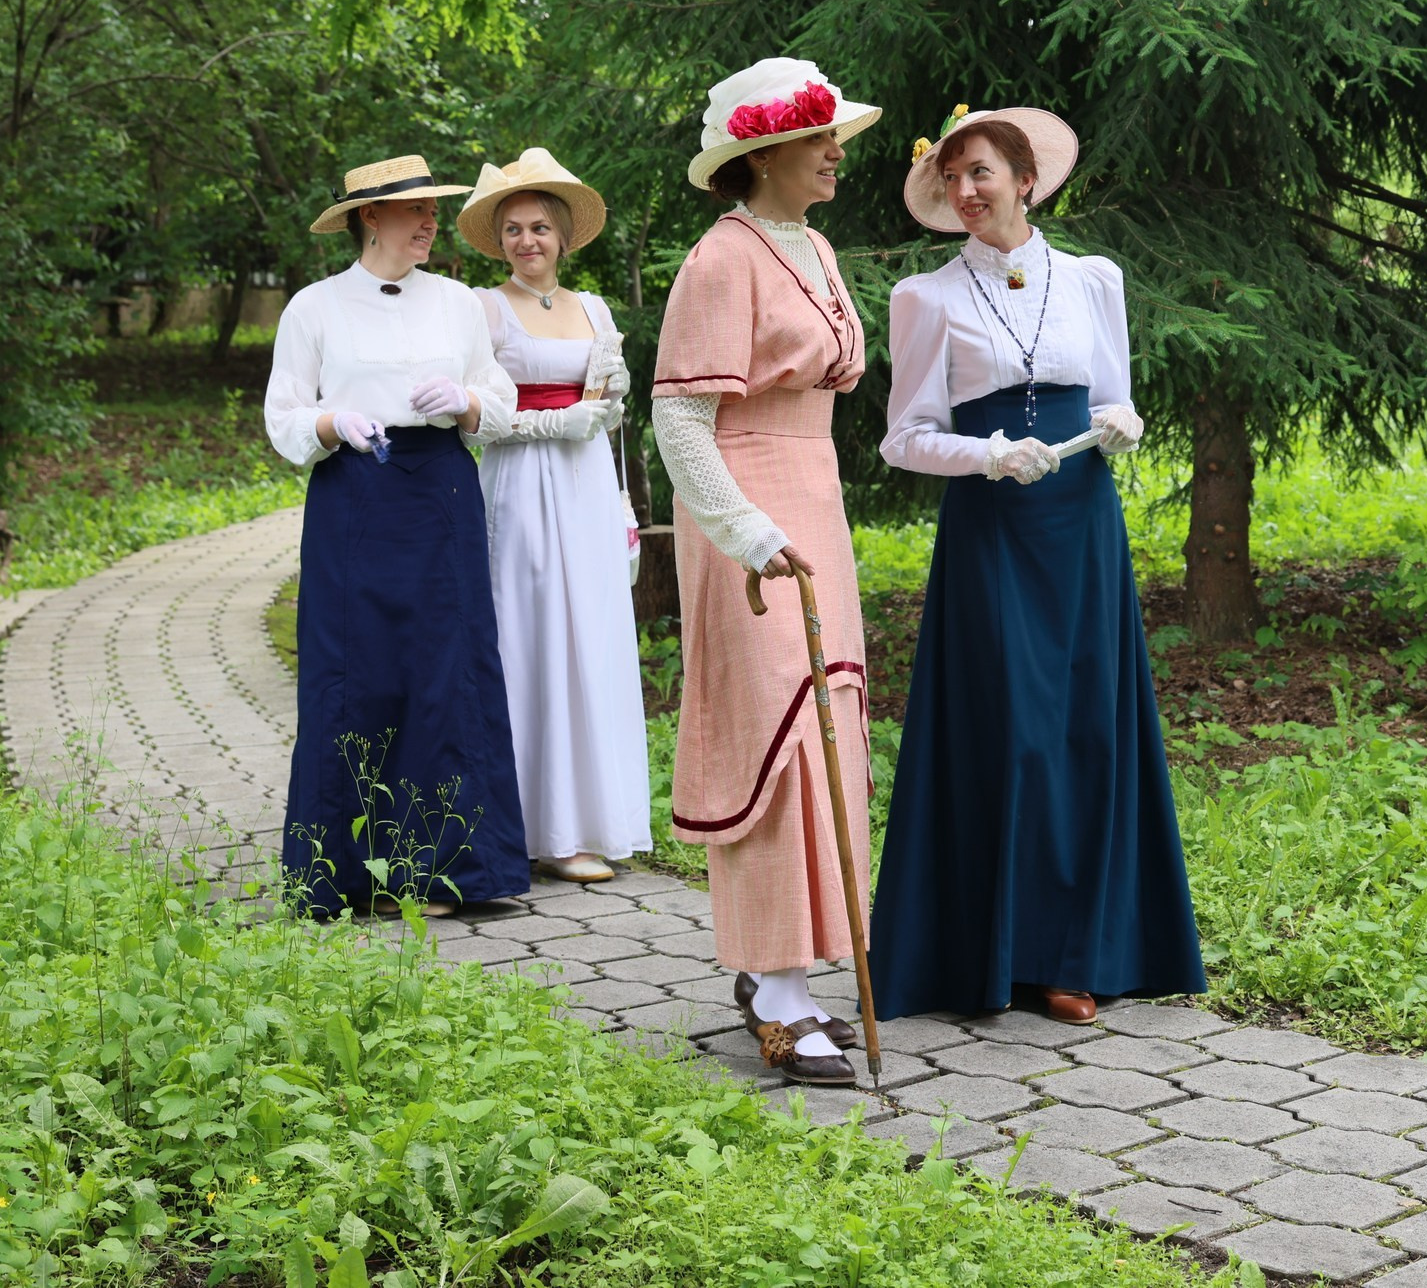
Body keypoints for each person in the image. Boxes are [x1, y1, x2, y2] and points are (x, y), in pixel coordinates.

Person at [867, 105, 1206, 1023]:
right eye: (952, 178)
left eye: (980, 172)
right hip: (992, 530)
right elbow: (904, 438)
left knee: (1086, 729)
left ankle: (1076, 957)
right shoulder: (926, 297)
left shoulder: (1094, 279)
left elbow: (1113, 400)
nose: (966, 191)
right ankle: (991, 953)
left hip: (1081, 525)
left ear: (1025, 178)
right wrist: (985, 455)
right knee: (1012, 730)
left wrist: (1123, 423)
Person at [651, 57, 882, 1086]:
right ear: (764, 153)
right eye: (819, 136)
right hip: (744, 511)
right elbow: (679, 418)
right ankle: (777, 988)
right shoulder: (719, 258)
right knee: (775, 731)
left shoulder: (815, 245)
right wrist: (744, 531)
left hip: (814, 496)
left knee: (829, 719)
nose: (837, 151)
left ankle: (793, 965)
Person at [262, 155, 527, 919]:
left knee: (446, 672)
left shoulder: (457, 302)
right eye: (416, 209)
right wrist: (331, 421)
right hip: (355, 496)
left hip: (441, 492)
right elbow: (283, 415)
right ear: (369, 217)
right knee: (356, 673)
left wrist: (466, 399)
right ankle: (346, 872)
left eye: (433, 209)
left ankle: (447, 870)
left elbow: (499, 401)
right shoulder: (313, 307)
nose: (430, 221)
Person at [456, 147, 650, 884]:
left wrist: (608, 400)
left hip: (587, 486)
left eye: (539, 227)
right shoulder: (483, 309)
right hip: (521, 485)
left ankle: (588, 822)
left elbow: (604, 404)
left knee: (589, 634)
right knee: (528, 634)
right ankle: (527, 827)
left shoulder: (594, 308)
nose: (526, 241)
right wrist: (551, 423)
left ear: (564, 235)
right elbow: (472, 418)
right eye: (513, 229)